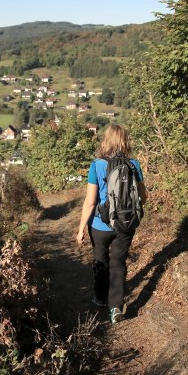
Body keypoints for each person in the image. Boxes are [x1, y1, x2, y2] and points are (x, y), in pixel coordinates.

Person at [76, 124, 147, 323]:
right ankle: (116, 307)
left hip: (100, 225)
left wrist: (81, 228)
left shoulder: (97, 165)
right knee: (118, 264)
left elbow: (90, 202)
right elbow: (143, 197)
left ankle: (100, 298)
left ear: (105, 140)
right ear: (125, 140)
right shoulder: (134, 164)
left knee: (101, 260)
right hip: (125, 225)